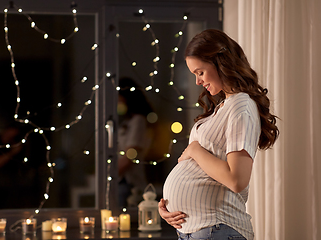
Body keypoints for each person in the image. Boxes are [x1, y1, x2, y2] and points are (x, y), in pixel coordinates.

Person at [159, 29, 279, 240]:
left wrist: (195, 150)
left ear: (221, 63)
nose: (197, 81)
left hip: (217, 228)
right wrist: (168, 208)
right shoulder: (224, 105)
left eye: (200, 72)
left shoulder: (241, 106)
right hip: (196, 229)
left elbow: (236, 179)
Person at [117, 77, 154, 207]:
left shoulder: (138, 121)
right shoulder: (127, 122)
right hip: (122, 181)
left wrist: (110, 176)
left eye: (119, 97)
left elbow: (130, 155)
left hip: (129, 183)